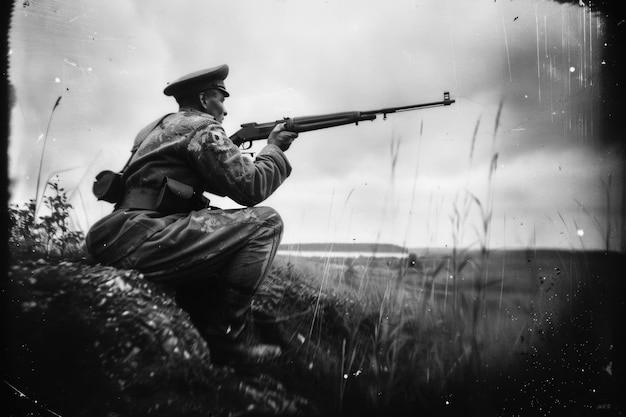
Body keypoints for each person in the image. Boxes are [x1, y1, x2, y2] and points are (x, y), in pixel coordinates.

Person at [85, 64, 298, 364]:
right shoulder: (203, 127)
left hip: (112, 235)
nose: (223, 110)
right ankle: (226, 343)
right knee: (266, 223)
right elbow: (251, 188)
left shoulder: (152, 130)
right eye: (220, 99)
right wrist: (274, 149)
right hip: (146, 239)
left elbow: (212, 182)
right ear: (203, 100)